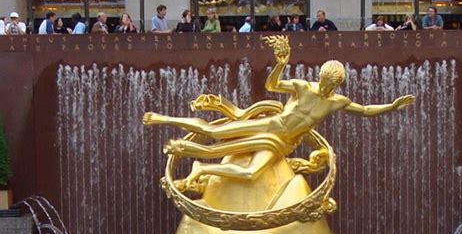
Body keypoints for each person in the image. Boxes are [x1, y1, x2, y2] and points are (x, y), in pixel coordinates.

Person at [143, 36, 414, 189]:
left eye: (331, 84)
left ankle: (201, 168)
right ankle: (163, 118)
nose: (325, 86)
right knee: (213, 131)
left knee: (250, 173)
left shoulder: (337, 102)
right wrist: (280, 65)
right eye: (324, 80)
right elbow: (271, 85)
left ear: (337, 85)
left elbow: (365, 110)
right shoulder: (302, 86)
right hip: (270, 125)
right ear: (320, 76)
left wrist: (391, 106)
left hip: (282, 144)